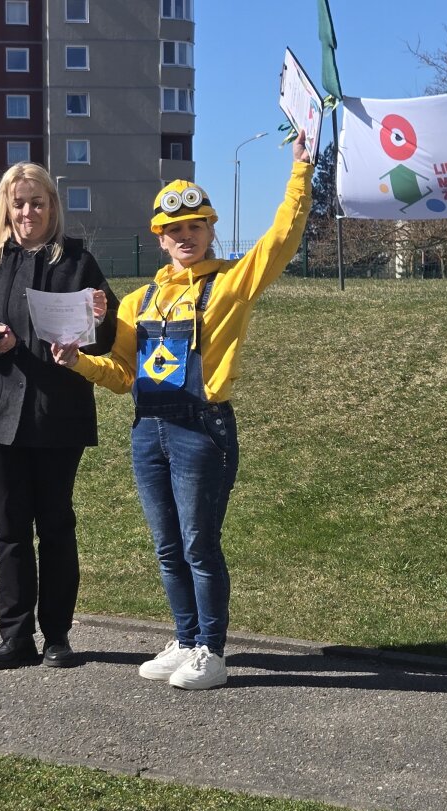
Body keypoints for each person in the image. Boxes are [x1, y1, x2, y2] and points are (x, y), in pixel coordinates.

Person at [52, 129, 314, 690]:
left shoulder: (231, 285)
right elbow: (122, 376)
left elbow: (281, 239)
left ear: (210, 230)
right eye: (174, 230)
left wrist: (300, 173)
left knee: (199, 545)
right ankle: (186, 637)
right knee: (167, 547)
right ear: (160, 239)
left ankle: (212, 652)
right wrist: (77, 362)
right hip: (148, 431)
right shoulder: (139, 301)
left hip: (202, 430)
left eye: (195, 226)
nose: (185, 236)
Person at [0, 162, 118, 671]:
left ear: (51, 207)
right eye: (18, 203)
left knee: (56, 525)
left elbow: (107, 336)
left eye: (37, 203)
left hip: (57, 414)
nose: (27, 213)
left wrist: (100, 318)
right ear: (5, 206)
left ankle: (57, 636)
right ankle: (15, 636)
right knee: (10, 529)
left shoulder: (79, 261)